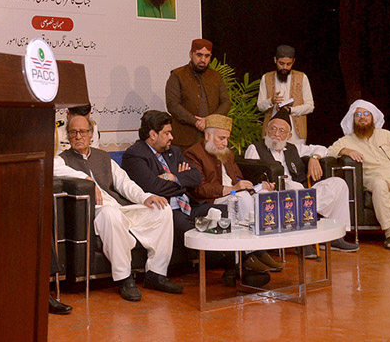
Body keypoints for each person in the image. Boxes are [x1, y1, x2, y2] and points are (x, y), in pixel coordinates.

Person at [121, 110, 270, 287]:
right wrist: (180, 178)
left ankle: (237, 268)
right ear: (153, 135)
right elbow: (154, 187)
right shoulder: (135, 155)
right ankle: (239, 269)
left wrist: (172, 177)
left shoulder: (172, 151)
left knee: (230, 213)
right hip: (166, 210)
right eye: (167, 133)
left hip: (188, 206)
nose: (172, 137)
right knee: (200, 235)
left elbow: (196, 177)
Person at [54, 115, 179, 301]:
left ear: (90, 134)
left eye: (83, 132)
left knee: (162, 209)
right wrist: (86, 180)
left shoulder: (103, 157)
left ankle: (156, 273)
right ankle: (124, 278)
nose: (78, 136)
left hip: (122, 208)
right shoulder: (61, 160)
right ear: (68, 136)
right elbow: (52, 170)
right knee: (110, 214)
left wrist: (146, 197)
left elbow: (125, 184)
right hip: (98, 211)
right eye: (73, 132)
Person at [244, 108, 358, 256]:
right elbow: (251, 174)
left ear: (289, 135)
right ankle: (304, 241)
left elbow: (323, 149)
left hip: (301, 192)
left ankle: (335, 237)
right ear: (266, 130)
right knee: (296, 188)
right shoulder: (255, 148)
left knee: (338, 184)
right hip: (274, 194)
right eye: (273, 129)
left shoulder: (293, 148)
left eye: (282, 131)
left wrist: (314, 158)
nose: (276, 134)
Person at [183, 114, 283, 273]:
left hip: (234, 195)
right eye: (221, 138)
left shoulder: (226, 153)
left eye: (227, 139)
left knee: (263, 194)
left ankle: (261, 248)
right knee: (242, 198)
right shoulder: (193, 154)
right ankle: (249, 253)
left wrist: (255, 186)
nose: (225, 143)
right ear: (208, 135)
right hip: (212, 200)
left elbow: (236, 177)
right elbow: (198, 189)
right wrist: (233, 189)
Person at [328, 100, 390, 252]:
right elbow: (329, 151)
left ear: (372, 118)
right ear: (353, 119)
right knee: (380, 184)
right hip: (375, 179)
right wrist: (345, 151)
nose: (362, 117)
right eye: (358, 115)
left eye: (366, 114)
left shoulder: (386, 135)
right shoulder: (347, 140)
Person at [165, 38, 231, 151]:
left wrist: (209, 121)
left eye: (207, 56)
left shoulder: (216, 77)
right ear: (191, 54)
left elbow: (226, 102)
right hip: (185, 139)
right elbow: (173, 105)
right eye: (199, 55)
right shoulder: (177, 75)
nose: (203, 59)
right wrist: (195, 122)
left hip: (212, 137)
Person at [257, 45, 314, 144]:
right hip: (272, 133)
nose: (285, 67)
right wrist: (271, 101)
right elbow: (260, 106)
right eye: (281, 63)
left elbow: (310, 106)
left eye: (288, 64)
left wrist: (291, 110)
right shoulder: (266, 78)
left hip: (296, 134)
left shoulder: (302, 77)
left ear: (293, 62)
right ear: (275, 60)